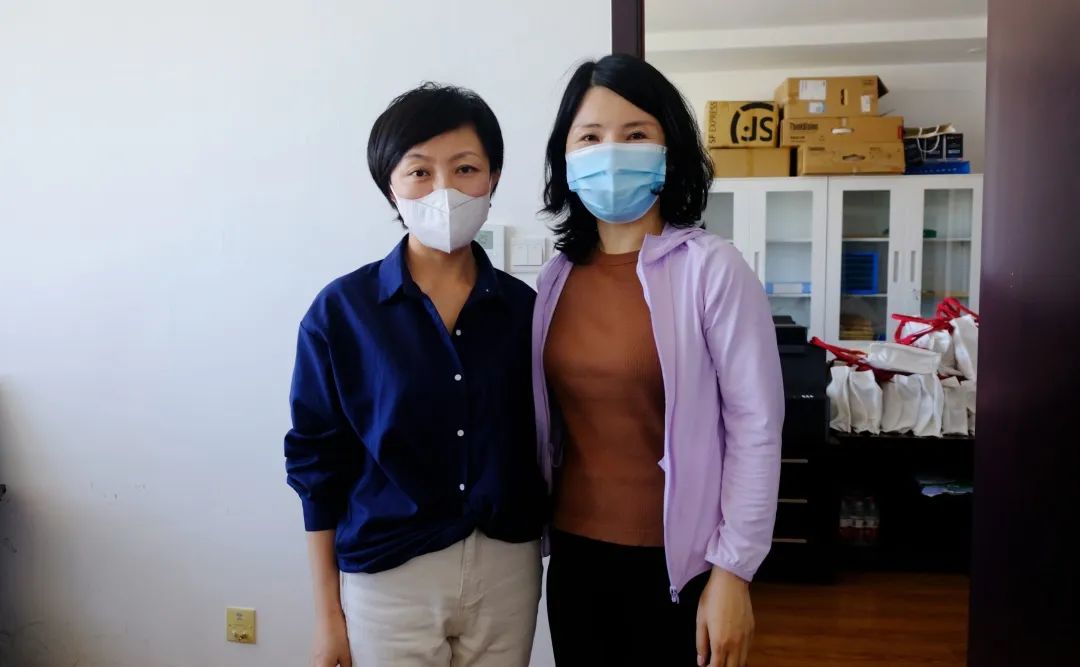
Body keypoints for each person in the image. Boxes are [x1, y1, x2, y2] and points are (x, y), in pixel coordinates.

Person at [533, 54, 785, 667]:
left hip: (680, 567)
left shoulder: (712, 268)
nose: (611, 152)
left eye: (635, 134)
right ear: (565, 158)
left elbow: (756, 428)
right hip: (576, 559)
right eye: (590, 137)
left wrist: (734, 572)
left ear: (669, 149)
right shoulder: (555, 278)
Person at [285, 83, 546, 667]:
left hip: (506, 569)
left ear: (493, 178)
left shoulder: (526, 311)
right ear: (391, 187)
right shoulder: (342, 312)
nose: (443, 190)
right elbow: (315, 466)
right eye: (420, 172)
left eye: (465, 168)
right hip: (388, 574)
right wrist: (328, 616)